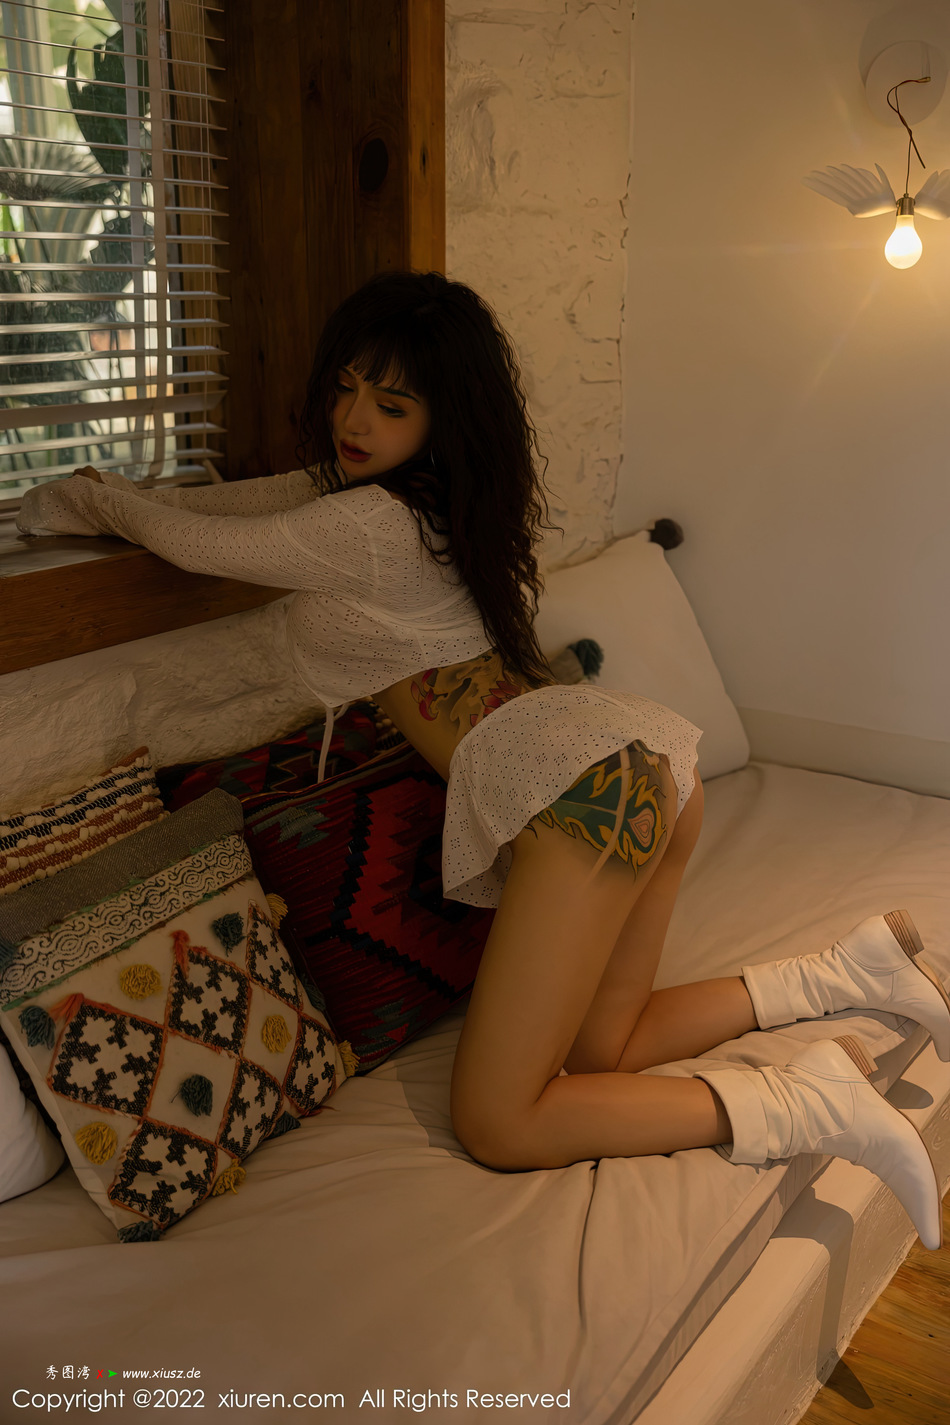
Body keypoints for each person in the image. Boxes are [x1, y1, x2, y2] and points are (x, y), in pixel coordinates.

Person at [18, 269, 947, 1250]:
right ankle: (840, 972)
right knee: (606, 1045)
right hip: (629, 766)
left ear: (441, 416)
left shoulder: (369, 526)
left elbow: (197, 544)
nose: (355, 419)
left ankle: (809, 1102)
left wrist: (79, 499)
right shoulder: (416, 502)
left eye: (392, 403)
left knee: (502, 1124)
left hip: (583, 791)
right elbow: (236, 506)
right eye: (346, 387)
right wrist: (116, 492)